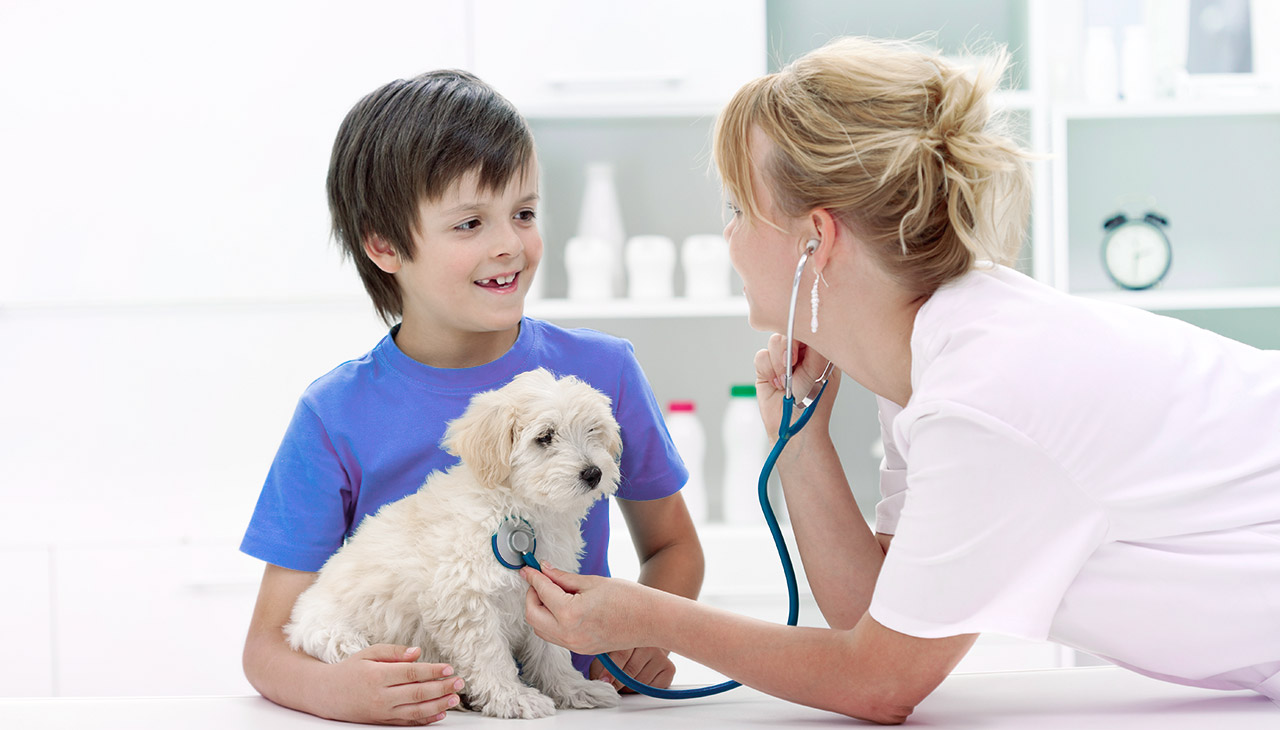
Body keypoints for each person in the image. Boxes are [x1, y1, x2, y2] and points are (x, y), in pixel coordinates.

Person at [520, 36, 1280, 723]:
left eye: (737, 210)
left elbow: (881, 682)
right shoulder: (929, 354)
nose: (726, 238)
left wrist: (651, 617)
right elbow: (876, 613)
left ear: (816, 238)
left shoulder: (983, 391)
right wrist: (802, 439)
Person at [239, 69, 703, 726]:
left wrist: (650, 631)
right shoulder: (335, 414)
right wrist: (333, 690)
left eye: (524, 213)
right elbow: (267, 646)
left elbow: (674, 549)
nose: (510, 244)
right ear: (385, 244)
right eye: (469, 223)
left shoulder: (603, 372)